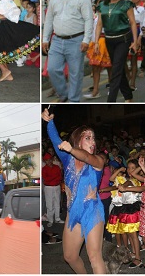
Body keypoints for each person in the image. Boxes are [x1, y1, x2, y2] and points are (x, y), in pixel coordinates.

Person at [42, 108, 106, 273]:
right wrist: (49, 122)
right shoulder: (67, 158)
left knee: (94, 257)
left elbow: (85, 157)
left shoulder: (98, 160)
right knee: (69, 257)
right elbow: (55, 139)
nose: (93, 142)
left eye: (93, 138)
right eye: (88, 138)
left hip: (92, 211)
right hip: (73, 213)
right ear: (77, 140)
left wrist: (70, 149)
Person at [43, 0, 93, 102]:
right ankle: (64, 94)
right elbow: (48, 20)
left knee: (75, 73)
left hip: (76, 40)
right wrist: (45, 39)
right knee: (52, 69)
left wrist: (86, 40)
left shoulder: (82, 0)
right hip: (57, 40)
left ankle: (73, 100)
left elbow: (89, 20)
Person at [94, 0, 138, 102]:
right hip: (109, 40)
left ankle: (110, 101)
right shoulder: (102, 5)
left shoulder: (126, 4)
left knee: (116, 70)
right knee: (118, 69)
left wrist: (135, 41)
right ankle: (128, 97)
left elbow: (133, 23)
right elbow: (99, 25)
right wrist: (96, 42)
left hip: (123, 39)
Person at [42, 153, 64, 227]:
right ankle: (50, 220)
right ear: (45, 161)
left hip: (56, 186)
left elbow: (60, 177)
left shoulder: (57, 167)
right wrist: (54, 177)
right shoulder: (44, 169)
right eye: (47, 160)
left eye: (50, 159)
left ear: (52, 159)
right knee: (49, 204)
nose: (49, 161)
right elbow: (46, 179)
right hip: (48, 188)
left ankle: (57, 218)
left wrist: (52, 178)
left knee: (57, 203)